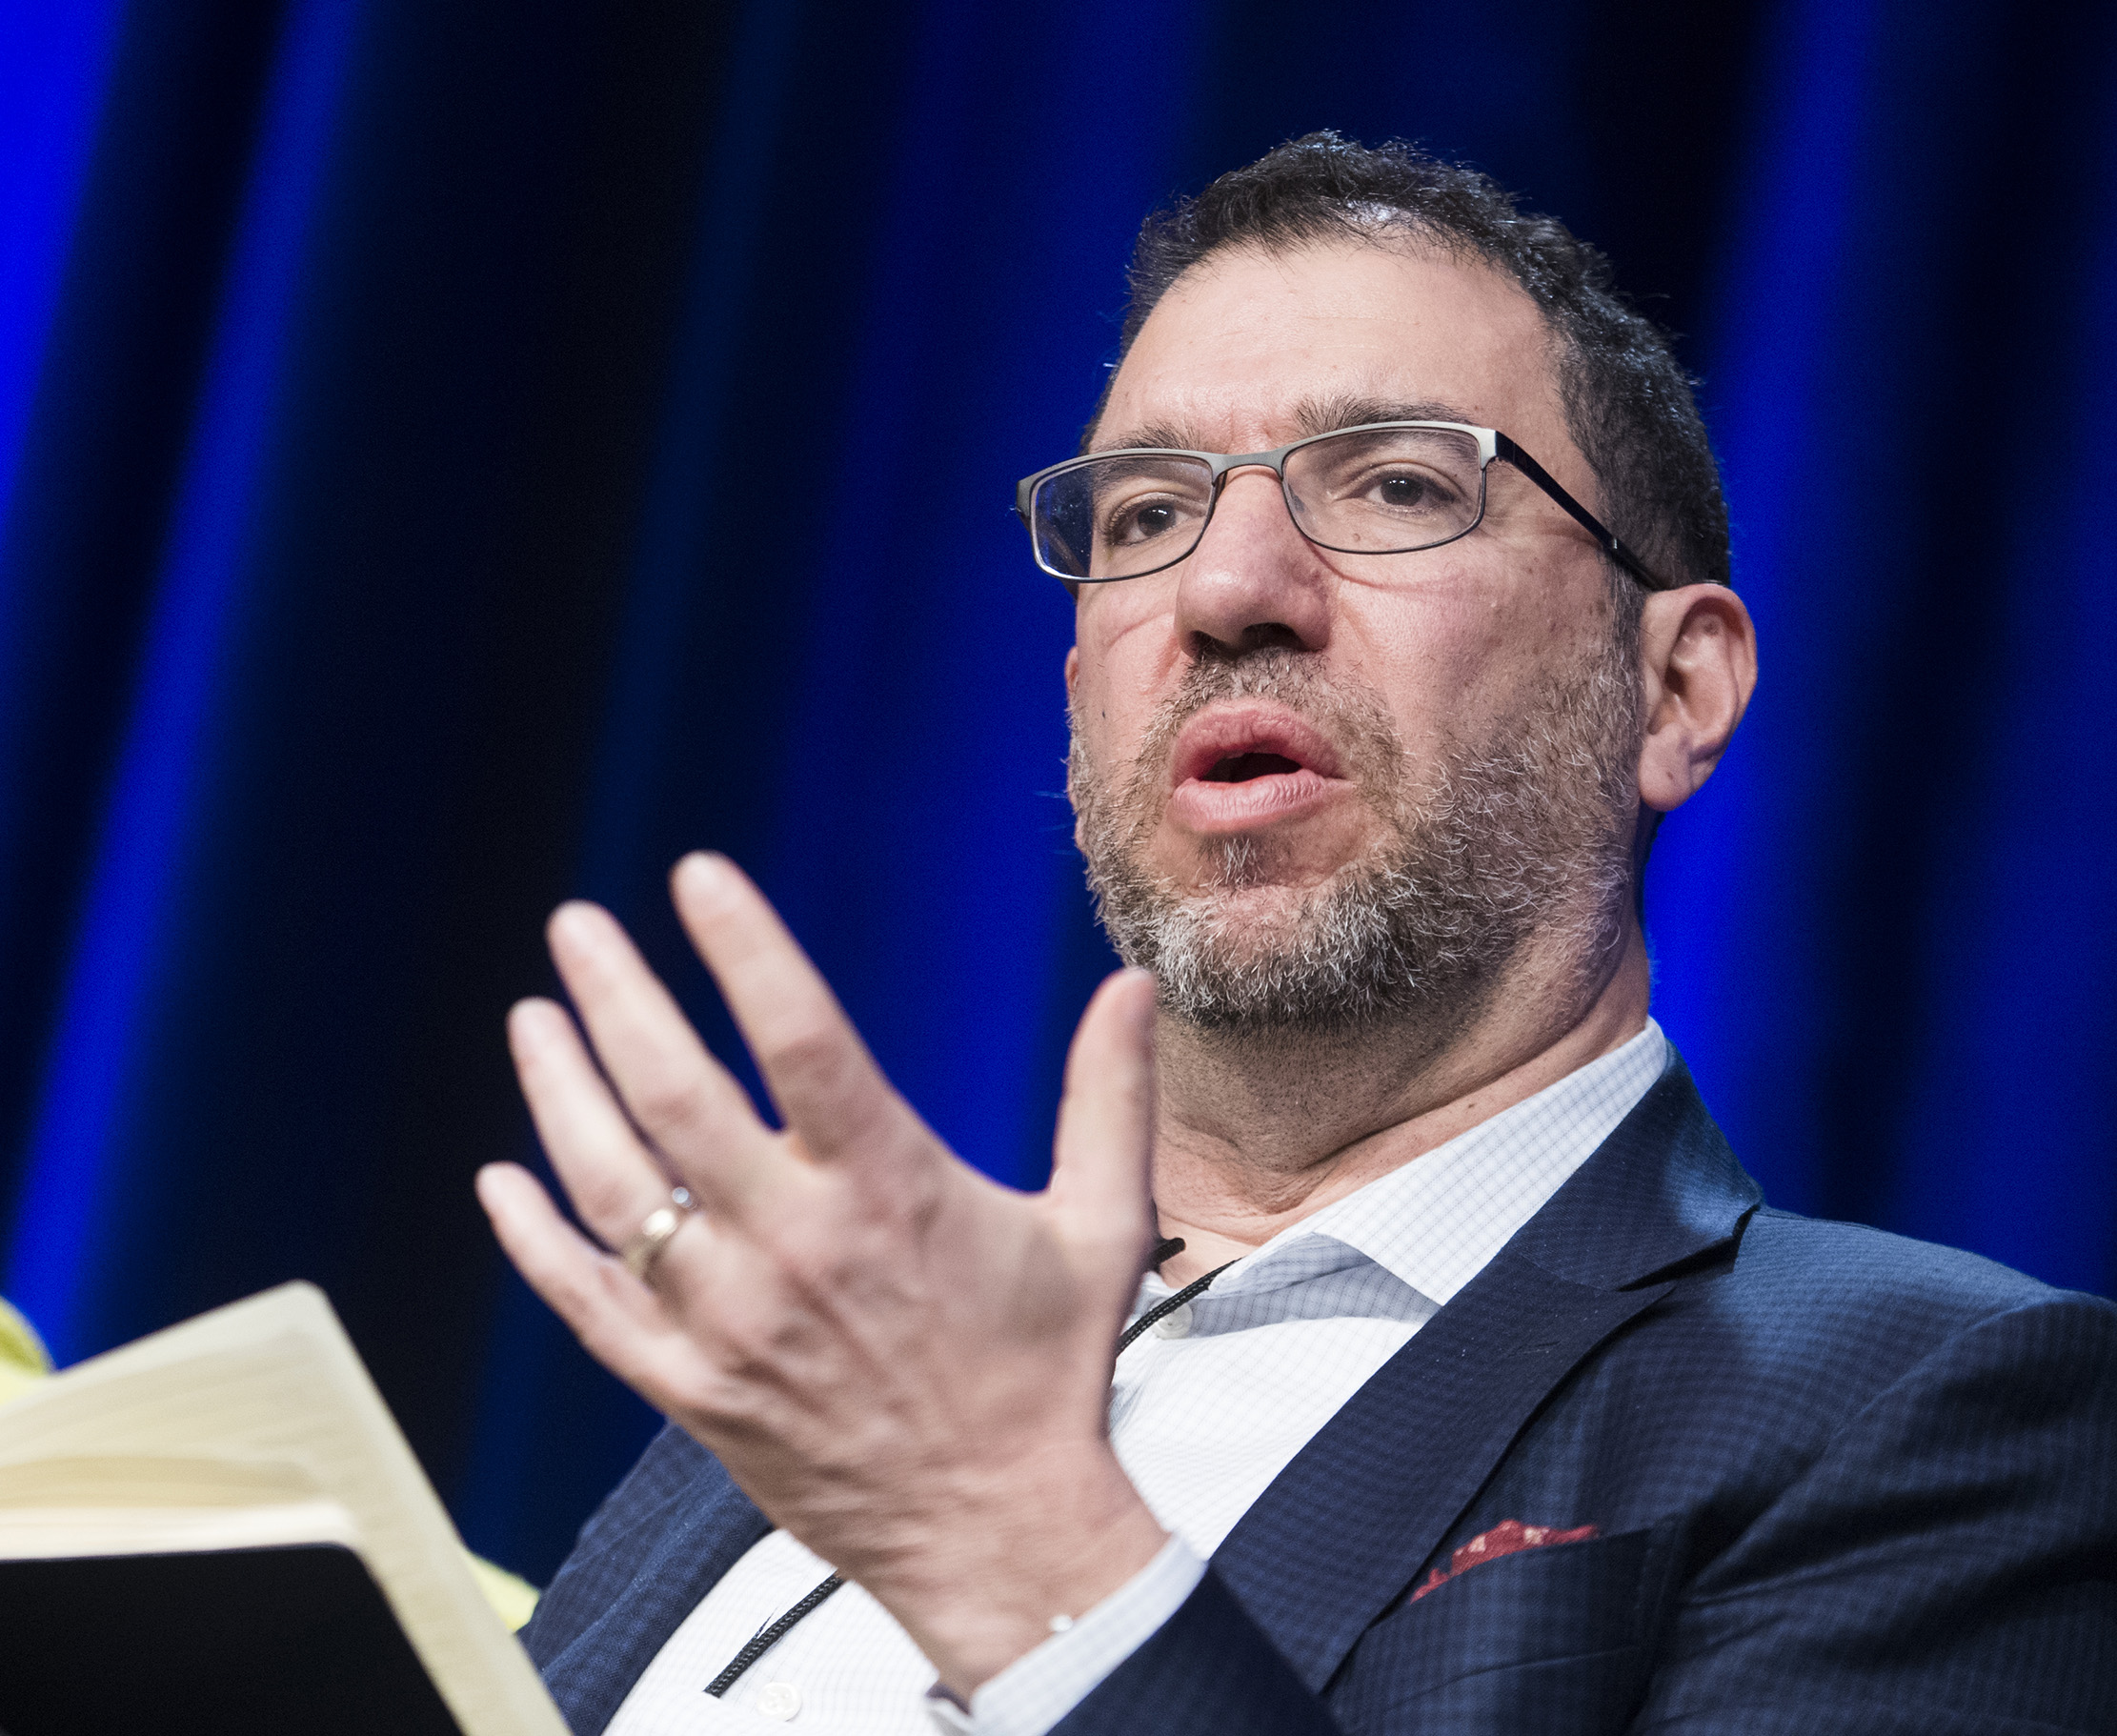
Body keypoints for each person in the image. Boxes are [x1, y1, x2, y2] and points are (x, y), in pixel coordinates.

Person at [476, 134, 2117, 1735]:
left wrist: (1008, 1547)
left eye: (1396, 484)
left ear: (1674, 687)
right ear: (1076, 692)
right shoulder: (863, 1359)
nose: (1225, 588)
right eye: (1141, 515)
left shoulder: (1941, 1413)